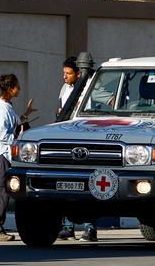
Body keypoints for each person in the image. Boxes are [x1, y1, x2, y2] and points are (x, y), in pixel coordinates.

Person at [0, 74, 34, 242]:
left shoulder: (7, 106)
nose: (19, 89)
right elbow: (1, 134)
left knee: (5, 190)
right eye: (16, 87)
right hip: (1, 153)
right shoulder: (1, 108)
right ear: (9, 88)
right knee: (1, 190)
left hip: (6, 152)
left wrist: (26, 115)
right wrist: (17, 140)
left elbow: (13, 124)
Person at [55, 57, 98, 242]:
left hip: (87, 142)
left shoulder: (91, 88)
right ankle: (68, 227)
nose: (65, 77)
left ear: (79, 73)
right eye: (64, 73)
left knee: (90, 186)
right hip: (67, 142)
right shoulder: (65, 89)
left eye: (68, 73)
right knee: (65, 184)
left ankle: (90, 228)